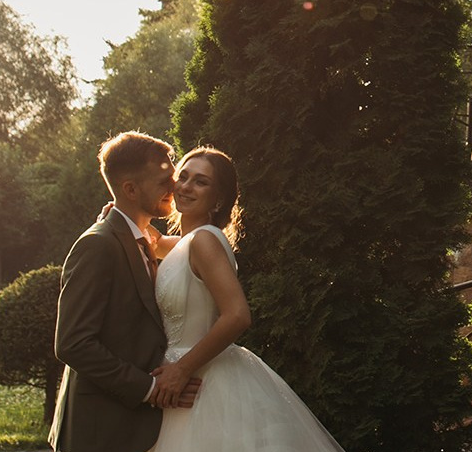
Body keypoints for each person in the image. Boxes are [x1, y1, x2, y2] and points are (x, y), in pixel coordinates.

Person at [146, 146, 345, 452]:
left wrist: (182, 370)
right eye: (183, 176)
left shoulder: (204, 241)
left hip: (202, 382)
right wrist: (119, 213)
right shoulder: (186, 243)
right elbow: (156, 243)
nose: (186, 187)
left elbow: (238, 315)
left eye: (201, 182)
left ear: (219, 198)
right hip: (178, 384)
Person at [50, 132, 200, 452]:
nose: (173, 187)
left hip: (136, 427)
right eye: (163, 181)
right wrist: (149, 387)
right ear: (130, 189)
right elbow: (73, 344)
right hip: (101, 430)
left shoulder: (141, 238)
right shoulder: (97, 245)